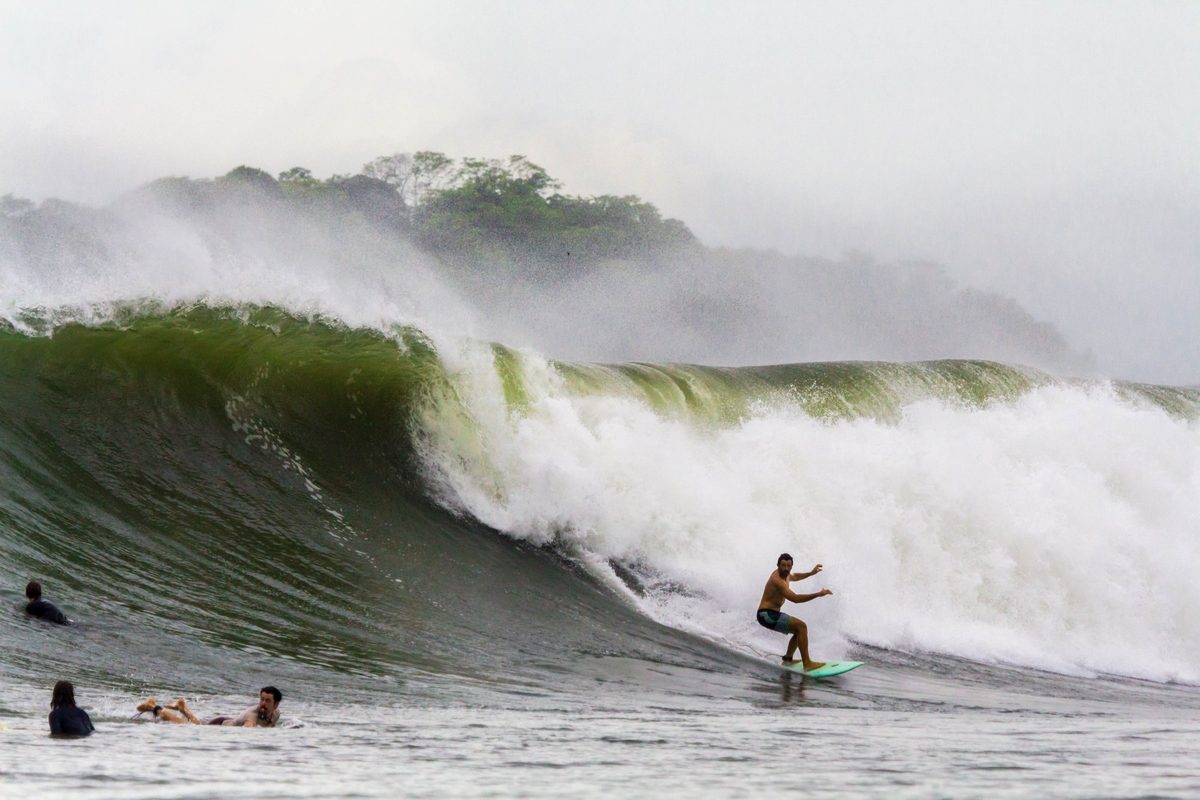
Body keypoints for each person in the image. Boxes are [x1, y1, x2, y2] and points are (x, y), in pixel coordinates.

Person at [756, 552, 832, 670]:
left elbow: (795, 576)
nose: (786, 568)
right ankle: (807, 664)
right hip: (766, 614)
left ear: (791, 566)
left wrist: (811, 573)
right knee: (801, 627)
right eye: (783, 565)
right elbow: (795, 599)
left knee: (798, 630)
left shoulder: (786, 575)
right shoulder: (777, 580)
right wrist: (818, 594)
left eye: (788, 566)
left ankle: (788, 659)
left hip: (772, 614)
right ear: (778, 565)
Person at [135, 686, 283, 727]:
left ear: (276, 704)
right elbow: (248, 729)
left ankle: (182, 707)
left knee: (195, 723)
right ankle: (154, 706)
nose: (262, 703)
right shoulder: (253, 715)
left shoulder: (276, 714)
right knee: (186, 726)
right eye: (261, 699)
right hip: (220, 724)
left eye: (267, 701)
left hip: (227, 720)